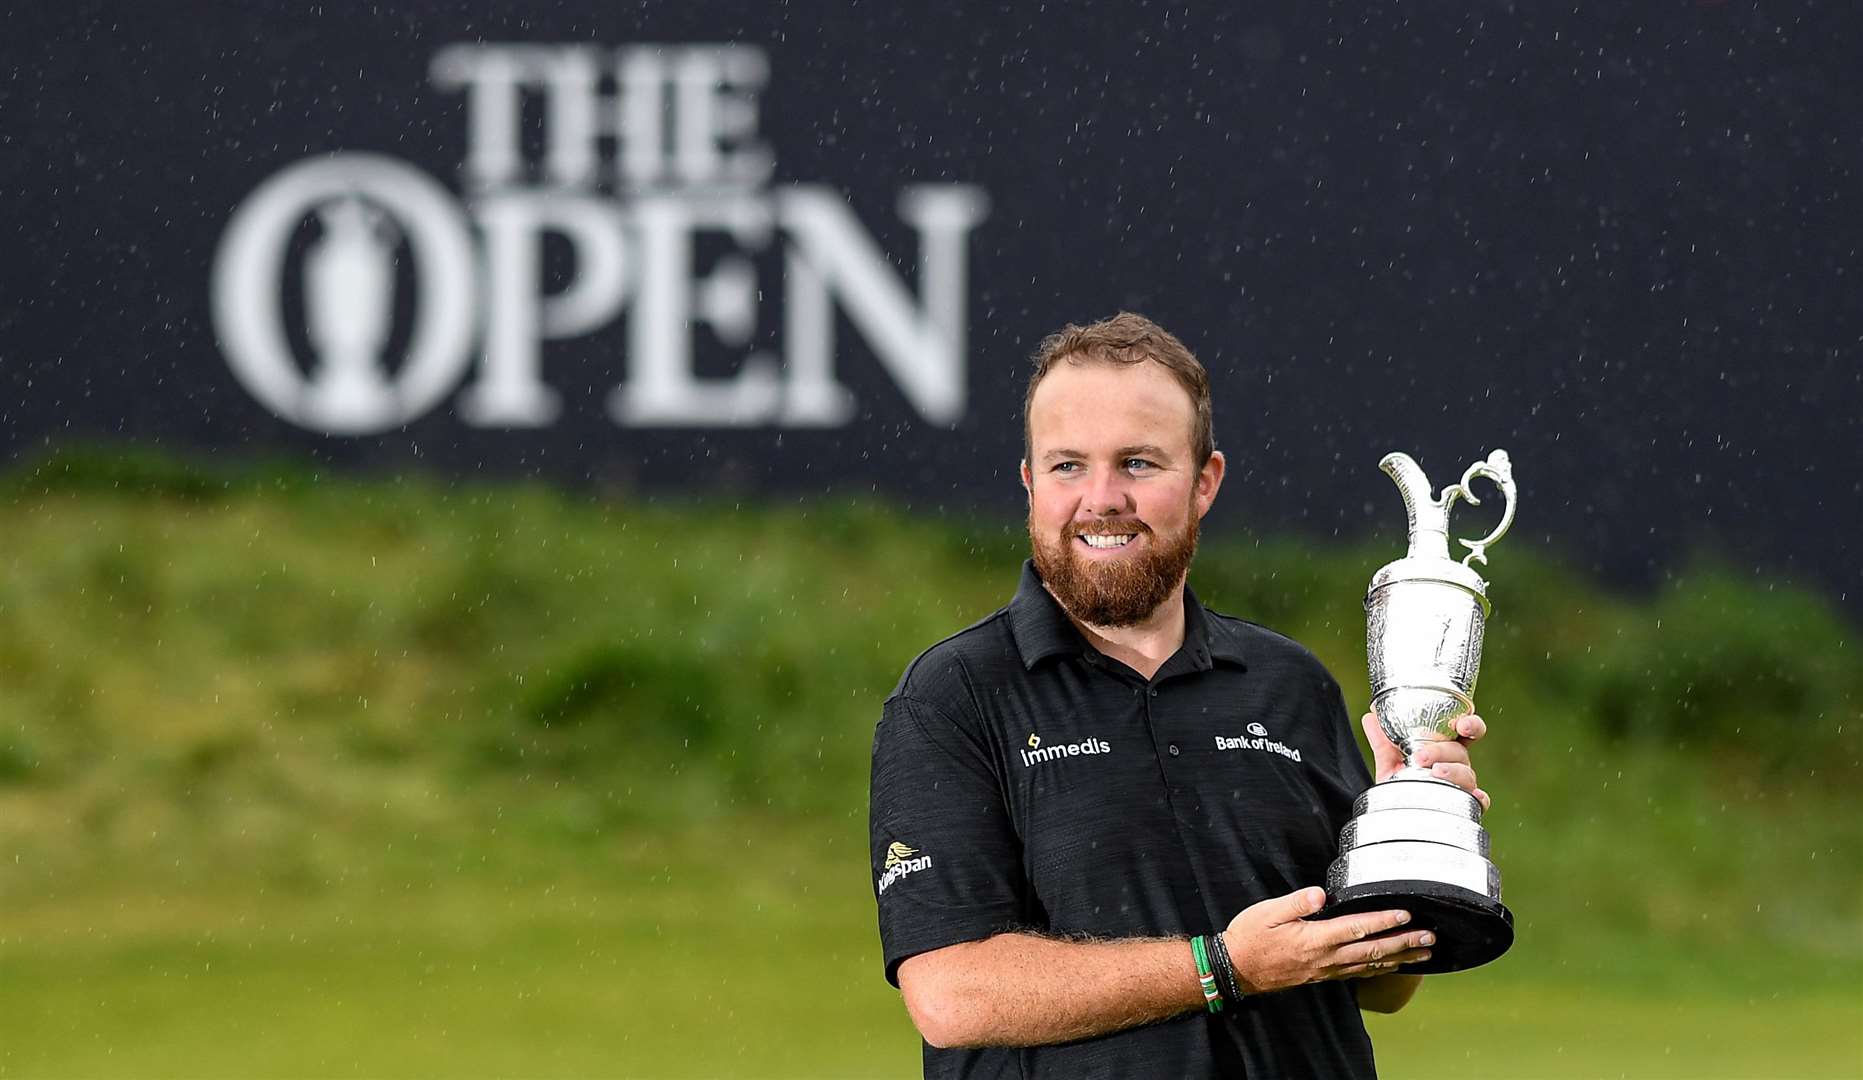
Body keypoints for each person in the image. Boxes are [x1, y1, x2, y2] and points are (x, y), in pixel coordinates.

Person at [867, 312, 1491, 1078]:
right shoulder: (953, 697)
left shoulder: (1289, 685)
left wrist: (1406, 841)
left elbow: (1381, 988)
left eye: (1137, 463)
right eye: (1067, 466)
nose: (1101, 498)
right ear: (1029, 483)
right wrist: (1223, 966)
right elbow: (954, 994)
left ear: (1204, 483)